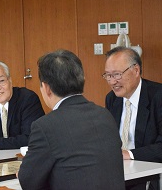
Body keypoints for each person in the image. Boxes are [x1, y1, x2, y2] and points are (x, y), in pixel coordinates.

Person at [18, 50, 125, 190]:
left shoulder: (45, 126)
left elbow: (28, 181)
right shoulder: (105, 115)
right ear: (82, 80)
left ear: (46, 88)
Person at [103, 46, 162, 190]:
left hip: (149, 174)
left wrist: (129, 154)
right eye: (108, 75)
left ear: (136, 70)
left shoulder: (158, 97)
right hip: (120, 171)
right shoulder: (111, 99)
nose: (112, 82)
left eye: (117, 74)